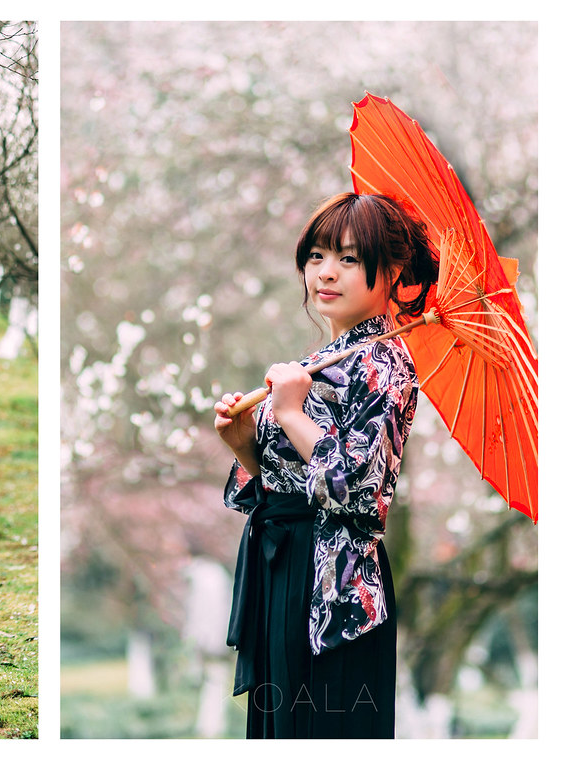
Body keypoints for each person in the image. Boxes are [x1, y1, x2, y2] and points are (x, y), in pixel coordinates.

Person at [213, 192, 438, 738]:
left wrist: (288, 411)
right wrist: (244, 443)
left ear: (393, 272)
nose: (326, 273)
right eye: (316, 256)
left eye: (350, 258)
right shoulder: (319, 361)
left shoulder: (384, 365)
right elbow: (283, 482)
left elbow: (363, 491)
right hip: (281, 568)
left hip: (334, 587)